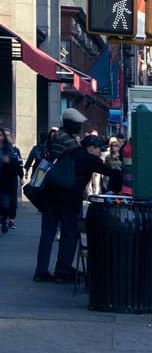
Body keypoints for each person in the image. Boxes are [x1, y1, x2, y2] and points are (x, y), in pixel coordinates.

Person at [32, 116, 122, 282]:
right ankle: (63, 270)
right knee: (69, 233)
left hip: (50, 195)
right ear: (91, 148)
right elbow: (112, 173)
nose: (99, 152)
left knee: (48, 233)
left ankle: (41, 271)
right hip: (68, 199)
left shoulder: (68, 151)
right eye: (97, 149)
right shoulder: (89, 159)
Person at [0, 129, 21, 233]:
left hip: (6, 180)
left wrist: (21, 176)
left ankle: (7, 219)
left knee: (6, 202)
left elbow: (18, 164)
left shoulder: (11, 150)